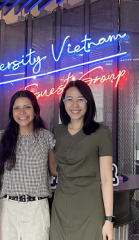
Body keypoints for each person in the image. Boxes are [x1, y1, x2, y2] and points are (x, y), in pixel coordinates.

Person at [50, 80, 114, 240]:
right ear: (63, 102)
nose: (75, 104)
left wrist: (109, 220)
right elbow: (53, 169)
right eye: (69, 99)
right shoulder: (57, 132)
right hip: (61, 206)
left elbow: (106, 179)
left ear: (88, 101)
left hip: (89, 206)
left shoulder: (102, 132)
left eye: (80, 99)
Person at [0, 90, 56, 240]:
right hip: (8, 208)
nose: (21, 112)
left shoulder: (46, 137)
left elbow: (55, 169)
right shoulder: (1, 138)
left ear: (35, 110)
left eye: (27, 107)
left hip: (37, 208)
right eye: (16, 108)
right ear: (11, 113)